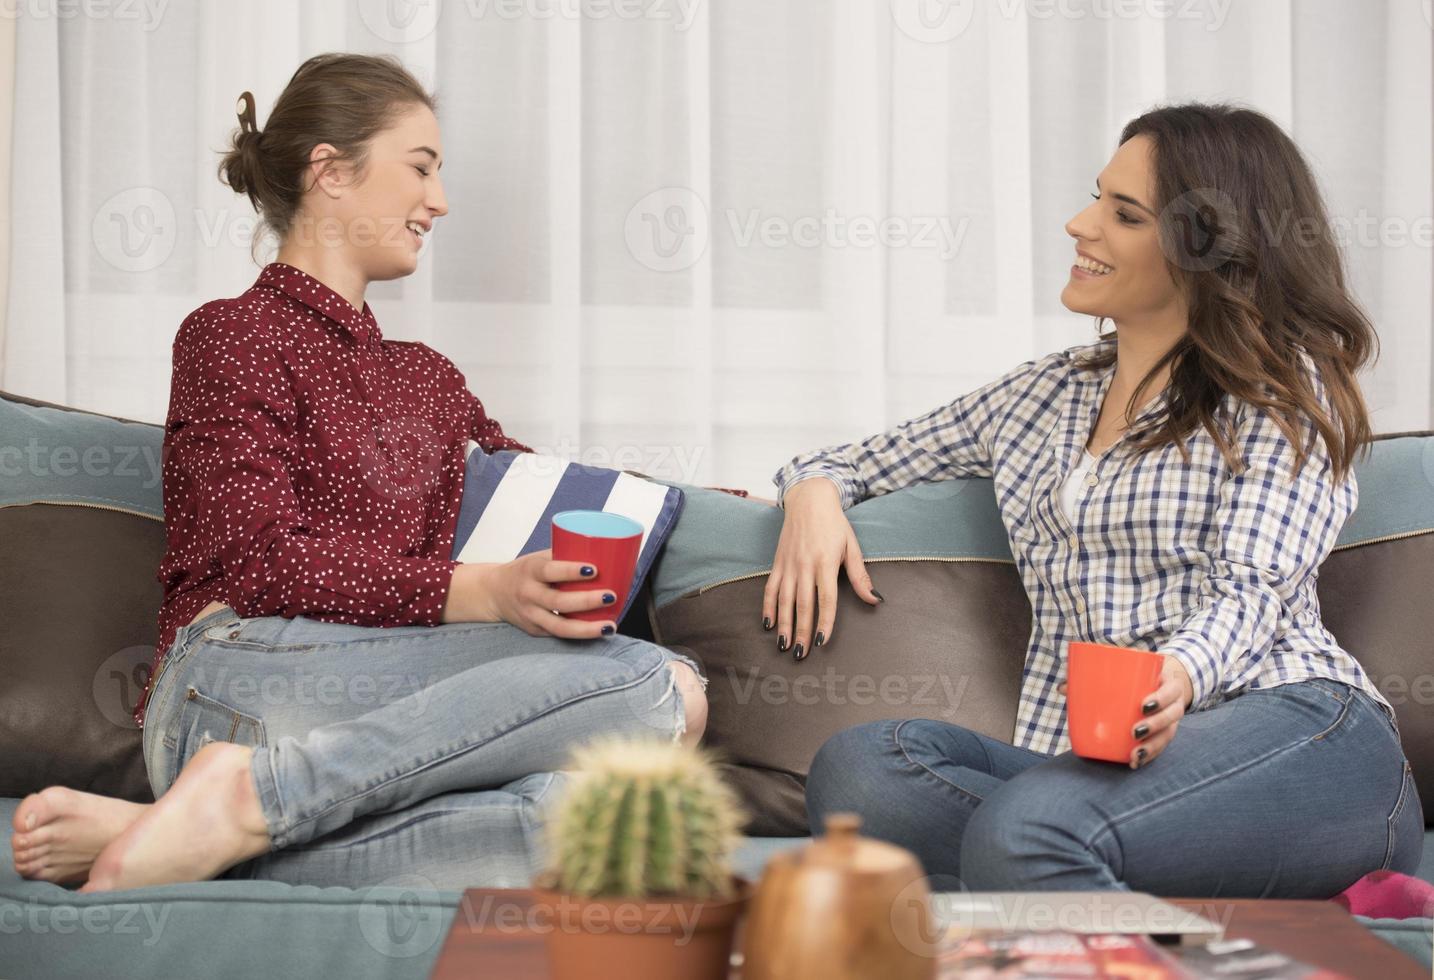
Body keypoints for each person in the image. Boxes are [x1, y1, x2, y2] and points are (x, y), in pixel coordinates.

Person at [9, 53, 707, 892]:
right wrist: (479, 591)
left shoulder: (430, 379)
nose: (438, 200)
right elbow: (257, 561)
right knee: (651, 683)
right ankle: (234, 798)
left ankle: (200, 825)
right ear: (330, 171)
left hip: (391, 701)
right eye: (421, 167)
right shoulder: (230, 335)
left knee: (617, 822)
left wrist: (756, 509)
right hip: (232, 682)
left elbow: (535, 479)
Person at [775, 102, 1422, 896]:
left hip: (1302, 736)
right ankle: (1084, 876)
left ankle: (1046, 859)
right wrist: (812, 494)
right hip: (1101, 776)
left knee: (1028, 828)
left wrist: (1176, 675)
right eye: (1096, 198)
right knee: (863, 772)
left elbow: (1253, 587)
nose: (1081, 225)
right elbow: (847, 460)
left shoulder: (1280, 390)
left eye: (1123, 214)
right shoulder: (1041, 395)